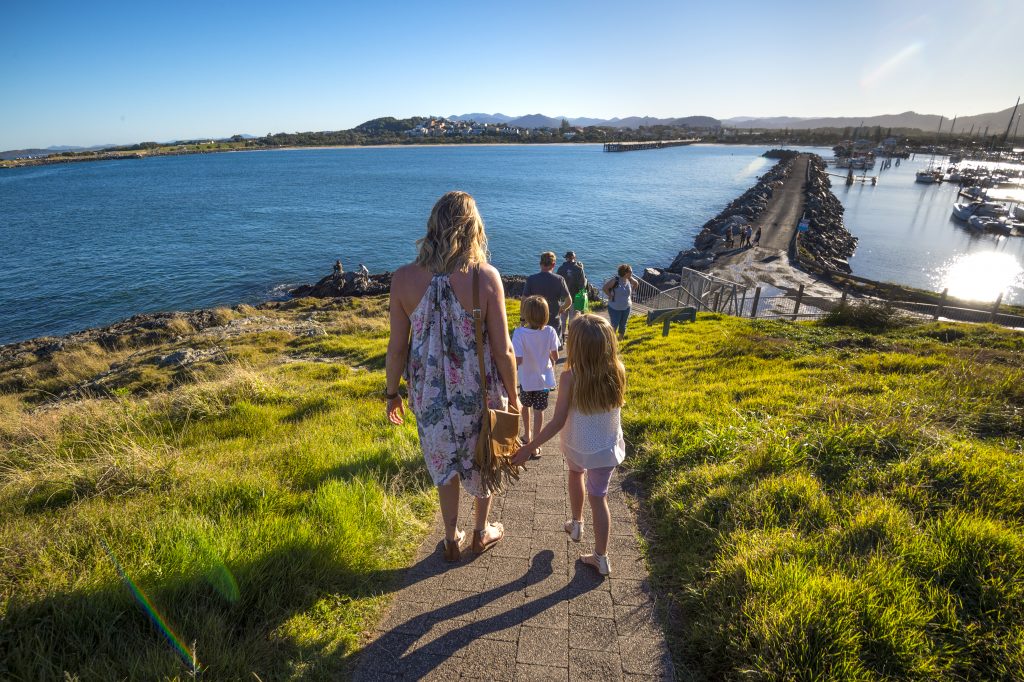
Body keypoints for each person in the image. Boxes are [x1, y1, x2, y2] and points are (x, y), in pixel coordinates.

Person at [386, 191, 516, 563]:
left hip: (429, 396)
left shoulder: (403, 279)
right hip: (479, 392)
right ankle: (480, 531)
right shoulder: (486, 277)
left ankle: (450, 537)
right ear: (473, 228)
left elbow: (397, 348)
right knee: (486, 457)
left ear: (433, 226)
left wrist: (392, 393)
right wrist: (515, 396)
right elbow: (503, 349)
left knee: (445, 466)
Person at [512, 314, 627, 576]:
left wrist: (529, 447)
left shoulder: (570, 377)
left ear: (576, 346)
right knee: (599, 497)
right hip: (606, 448)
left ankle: (576, 523)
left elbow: (557, 421)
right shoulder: (618, 370)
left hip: (577, 444)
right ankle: (601, 557)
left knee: (576, 474)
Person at [512, 296, 559, 460]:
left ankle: (527, 435)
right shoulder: (550, 331)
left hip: (526, 379)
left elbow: (518, 360)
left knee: (525, 406)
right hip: (543, 380)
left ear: (526, 314)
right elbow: (555, 355)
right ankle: (536, 444)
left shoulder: (519, 333)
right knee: (539, 411)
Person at [522, 251, 572, 341]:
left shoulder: (531, 279)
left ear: (540, 264)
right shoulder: (559, 279)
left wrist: (523, 319)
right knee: (554, 347)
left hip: (534, 322)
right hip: (553, 322)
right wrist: (561, 309)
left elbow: (524, 301)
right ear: (553, 265)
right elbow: (569, 301)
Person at [602, 264, 639, 340]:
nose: (632, 273)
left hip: (627, 307)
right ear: (625, 273)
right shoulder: (615, 280)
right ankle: (611, 341)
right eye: (631, 272)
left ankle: (620, 339)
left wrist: (631, 292)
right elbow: (605, 288)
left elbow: (636, 283)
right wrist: (610, 295)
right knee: (614, 325)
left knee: (623, 324)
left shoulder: (629, 279)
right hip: (615, 308)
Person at [556, 251, 588, 340]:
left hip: (563, 299)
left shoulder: (561, 268)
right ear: (574, 258)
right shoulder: (579, 269)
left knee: (562, 319)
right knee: (572, 320)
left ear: (566, 258)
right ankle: (571, 337)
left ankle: (561, 338)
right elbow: (582, 286)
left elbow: (557, 283)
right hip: (574, 299)